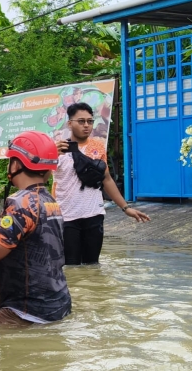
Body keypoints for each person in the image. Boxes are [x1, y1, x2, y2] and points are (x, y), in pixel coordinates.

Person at [0, 131, 72, 326]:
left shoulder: (20, 202)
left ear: (15, 164)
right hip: (58, 304)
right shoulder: (51, 201)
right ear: (49, 170)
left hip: (24, 312)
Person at [54, 103, 150, 265]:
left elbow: (106, 179)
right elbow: (41, 177)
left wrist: (126, 208)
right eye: (81, 121)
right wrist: (51, 155)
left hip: (94, 214)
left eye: (90, 121)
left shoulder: (97, 147)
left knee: (93, 265)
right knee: (71, 267)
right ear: (70, 123)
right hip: (66, 216)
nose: (86, 125)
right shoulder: (58, 149)